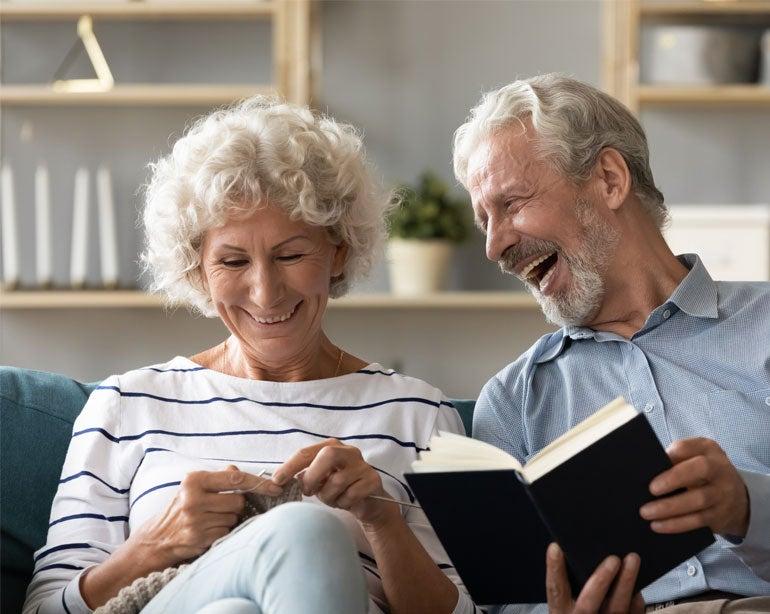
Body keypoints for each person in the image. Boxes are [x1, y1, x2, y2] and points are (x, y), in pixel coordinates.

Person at [24, 98, 479, 614]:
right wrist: (157, 544)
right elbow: (43, 609)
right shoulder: (127, 405)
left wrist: (382, 520)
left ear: (339, 252)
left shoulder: (420, 415)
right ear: (197, 270)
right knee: (301, 532)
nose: (266, 293)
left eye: (291, 255)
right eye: (233, 260)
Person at [452, 74, 770, 613]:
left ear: (608, 179)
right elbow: (507, 601)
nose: (494, 245)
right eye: (484, 220)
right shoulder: (513, 403)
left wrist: (746, 506)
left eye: (511, 204)